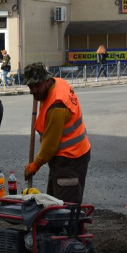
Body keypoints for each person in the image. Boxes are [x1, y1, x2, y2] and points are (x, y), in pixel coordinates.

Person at [23, 63, 91, 204]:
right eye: (30, 87)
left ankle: (72, 226)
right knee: (54, 201)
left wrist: (35, 165)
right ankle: (56, 226)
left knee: (65, 207)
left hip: (70, 158)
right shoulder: (58, 83)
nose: (33, 91)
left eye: (37, 86)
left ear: (47, 81)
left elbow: (50, 145)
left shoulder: (57, 107)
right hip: (70, 155)